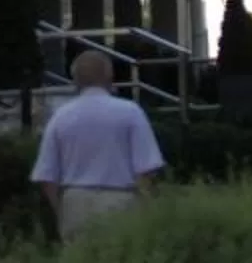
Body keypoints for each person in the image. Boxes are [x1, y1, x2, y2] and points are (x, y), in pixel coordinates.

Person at [31, 48, 165, 239]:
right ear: (109, 75)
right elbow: (146, 170)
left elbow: (47, 177)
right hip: (120, 200)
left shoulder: (60, 117)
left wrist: (61, 211)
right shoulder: (130, 112)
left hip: (74, 202)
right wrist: (146, 210)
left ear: (75, 79)